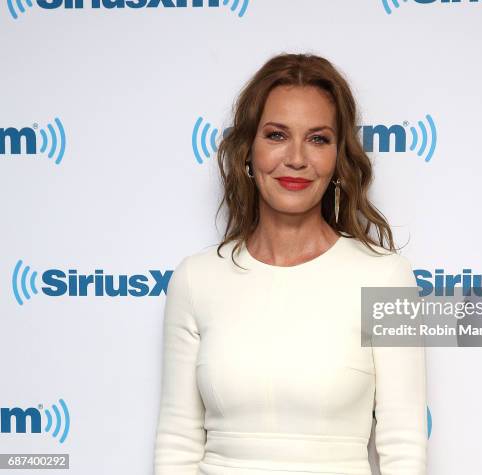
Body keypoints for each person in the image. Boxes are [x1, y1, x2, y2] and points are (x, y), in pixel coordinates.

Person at [154, 52, 428, 475]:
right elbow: (177, 441)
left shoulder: (386, 277)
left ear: (339, 157)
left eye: (318, 138)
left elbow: (403, 445)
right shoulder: (195, 279)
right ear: (248, 149)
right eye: (277, 135)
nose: (296, 158)